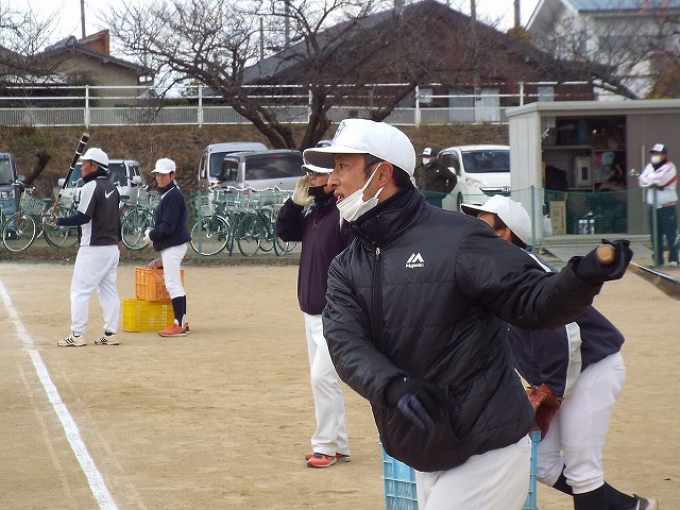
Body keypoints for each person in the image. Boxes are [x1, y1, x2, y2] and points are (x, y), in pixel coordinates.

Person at [302, 118, 632, 510]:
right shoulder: (347, 264)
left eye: (342, 166)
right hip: (423, 450)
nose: (332, 180)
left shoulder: (458, 237)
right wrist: (392, 384)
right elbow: (344, 342)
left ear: (383, 173)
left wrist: (582, 277)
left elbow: (533, 302)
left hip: (487, 447)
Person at [461, 195, 659, 510]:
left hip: (592, 368)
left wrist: (553, 389)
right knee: (542, 462)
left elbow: (563, 334)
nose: (472, 229)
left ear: (505, 233)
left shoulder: (525, 270)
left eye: (481, 223)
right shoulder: (491, 272)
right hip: (561, 377)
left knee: (583, 470)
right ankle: (631, 507)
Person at [275, 161, 353, 468]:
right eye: (310, 174)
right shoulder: (313, 213)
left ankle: (325, 445)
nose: (312, 179)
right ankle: (339, 443)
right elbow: (284, 231)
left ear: (334, 178)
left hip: (335, 313)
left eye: (318, 174)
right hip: (310, 312)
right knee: (325, 380)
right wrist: (294, 205)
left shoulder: (343, 214)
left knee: (322, 377)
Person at [48, 147, 122, 347]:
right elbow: (117, 219)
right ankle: (110, 333)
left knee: (79, 291)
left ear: (94, 166)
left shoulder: (91, 187)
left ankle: (77, 335)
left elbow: (83, 217)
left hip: (93, 248)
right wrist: (119, 239)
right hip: (111, 249)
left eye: (85, 164)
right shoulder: (113, 188)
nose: (81, 167)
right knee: (108, 291)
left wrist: (58, 221)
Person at [143, 157, 191, 337]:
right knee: (174, 284)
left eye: (164, 175)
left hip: (174, 245)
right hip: (173, 245)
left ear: (173, 175)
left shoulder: (173, 195)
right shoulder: (170, 194)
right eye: (158, 174)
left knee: (173, 284)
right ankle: (182, 322)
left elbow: (168, 227)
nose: (160, 178)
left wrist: (151, 235)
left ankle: (179, 324)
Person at [638, 143, 678, 266]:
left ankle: (674, 259)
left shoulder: (670, 167)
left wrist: (650, 180)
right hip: (653, 207)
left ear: (664, 155)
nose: (655, 155)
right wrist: (651, 180)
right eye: (654, 153)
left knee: (671, 234)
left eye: (657, 153)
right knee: (655, 235)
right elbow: (641, 180)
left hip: (667, 207)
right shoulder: (650, 166)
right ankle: (658, 259)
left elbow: (661, 180)